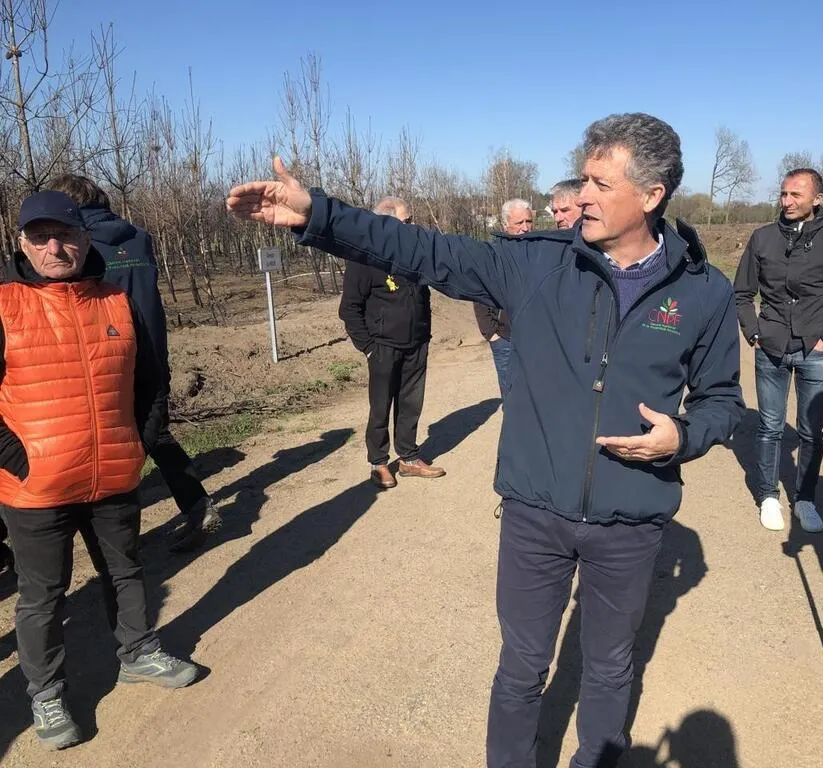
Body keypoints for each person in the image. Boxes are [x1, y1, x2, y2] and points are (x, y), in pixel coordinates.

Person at [228, 112, 744, 768]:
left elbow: (723, 400)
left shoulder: (703, 291)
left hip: (631, 522)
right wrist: (317, 214)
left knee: (610, 667)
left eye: (600, 184)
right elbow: (421, 250)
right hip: (534, 515)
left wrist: (684, 436)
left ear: (651, 196)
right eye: (583, 179)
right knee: (522, 668)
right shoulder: (535, 263)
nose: (581, 196)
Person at [0, 191, 198, 751]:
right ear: (22, 244)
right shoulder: (4, 305)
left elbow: (150, 380)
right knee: (42, 594)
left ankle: (138, 651)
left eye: (64, 235)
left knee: (126, 569)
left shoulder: (115, 299)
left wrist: (139, 441)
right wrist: (19, 459)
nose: (54, 248)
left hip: (112, 471)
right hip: (36, 486)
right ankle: (46, 692)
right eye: (40, 238)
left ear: (85, 238)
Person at [48, 174, 223, 553]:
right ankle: (197, 506)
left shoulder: (78, 246)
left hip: (106, 354)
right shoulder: (139, 238)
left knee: (98, 442)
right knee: (155, 432)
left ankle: (101, 540)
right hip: (153, 349)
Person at [733, 168, 823, 532]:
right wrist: (754, 333)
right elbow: (742, 293)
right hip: (770, 347)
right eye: (784, 194)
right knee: (769, 427)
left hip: (815, 351)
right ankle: (768, 496)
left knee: (810, 433)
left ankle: (805, 498)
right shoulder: (762, 238)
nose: (787, 201)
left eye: (796, 195)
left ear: (817, 199)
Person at [339, 197, 445, 489]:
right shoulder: (364, 257)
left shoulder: (413, 252)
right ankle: (379, 462)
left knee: (411, 403)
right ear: (386, 222)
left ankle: (409, 457)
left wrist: (424, 332)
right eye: (406, 220)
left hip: (416, 342)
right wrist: (368, 347)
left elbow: (423, 295)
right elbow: (349, 308)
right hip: (382, 345)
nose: (412, 224)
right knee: (380, 405)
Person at [473, 198, 535, 401]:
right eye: (519, 223)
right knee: (512, 397)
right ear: (505, 225)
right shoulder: (493, 256)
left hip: (535, 339)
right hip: (505, 339)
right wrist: (492, 334)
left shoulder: (539, 254)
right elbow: (479, 296)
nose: (525, 228)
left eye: (528, 221)